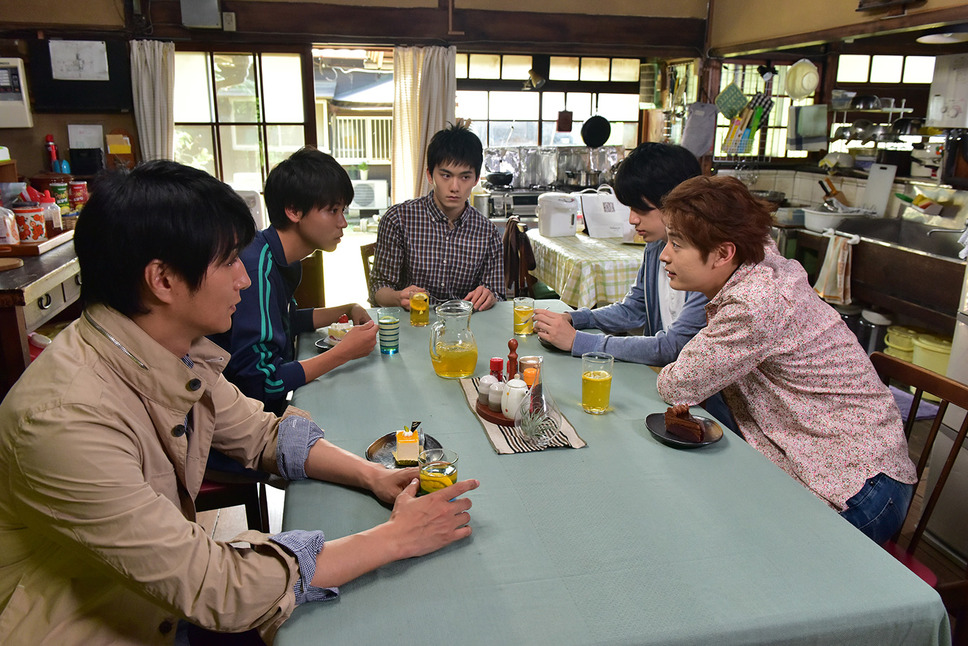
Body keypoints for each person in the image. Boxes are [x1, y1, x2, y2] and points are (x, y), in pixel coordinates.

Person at [0, 160, 478, 645]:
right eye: (228, 261)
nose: (244, 280)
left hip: (156, 603)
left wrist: (373, 474)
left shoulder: (172, 350)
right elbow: (217, 585)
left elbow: (264, 432)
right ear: (162, 280)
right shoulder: (64, 420)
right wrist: (394, 539)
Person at [654, 174, 916, 544]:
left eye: (677, 244)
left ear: (724, 253)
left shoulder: (756, 302)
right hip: (819, 454)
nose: (665, 255)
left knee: (747, 550)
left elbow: (676, 384)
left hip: (859, 489)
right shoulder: (756, 259)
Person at [209, 148, 377, 415]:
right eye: (333, 210)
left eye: (342, 210)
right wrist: (342, 353)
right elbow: (262, 382)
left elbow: (284, 322)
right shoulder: (255, 271)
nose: (343, 222)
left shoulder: (282, 258)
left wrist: (346, 309)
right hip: (248, 420)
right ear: (293, 211)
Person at [532, 143, 706, 366]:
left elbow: (673, 347)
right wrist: (576, 319)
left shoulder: (706, 265)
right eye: (630, 209)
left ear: (679, 200)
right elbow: (633, 308)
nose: (633, 220)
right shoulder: (655, 247)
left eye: (641, 210)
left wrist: (577, 341)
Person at [371, 123, 503, 311]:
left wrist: (489, 295)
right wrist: (397, 297)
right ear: (430, 175)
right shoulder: (398, 219)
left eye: (465, 177)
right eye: (446, 175)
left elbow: (497, 293)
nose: (455, 187)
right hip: (411, 323)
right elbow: (378, 288)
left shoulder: (487, 232)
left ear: (476, 179)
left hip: (464, 330)